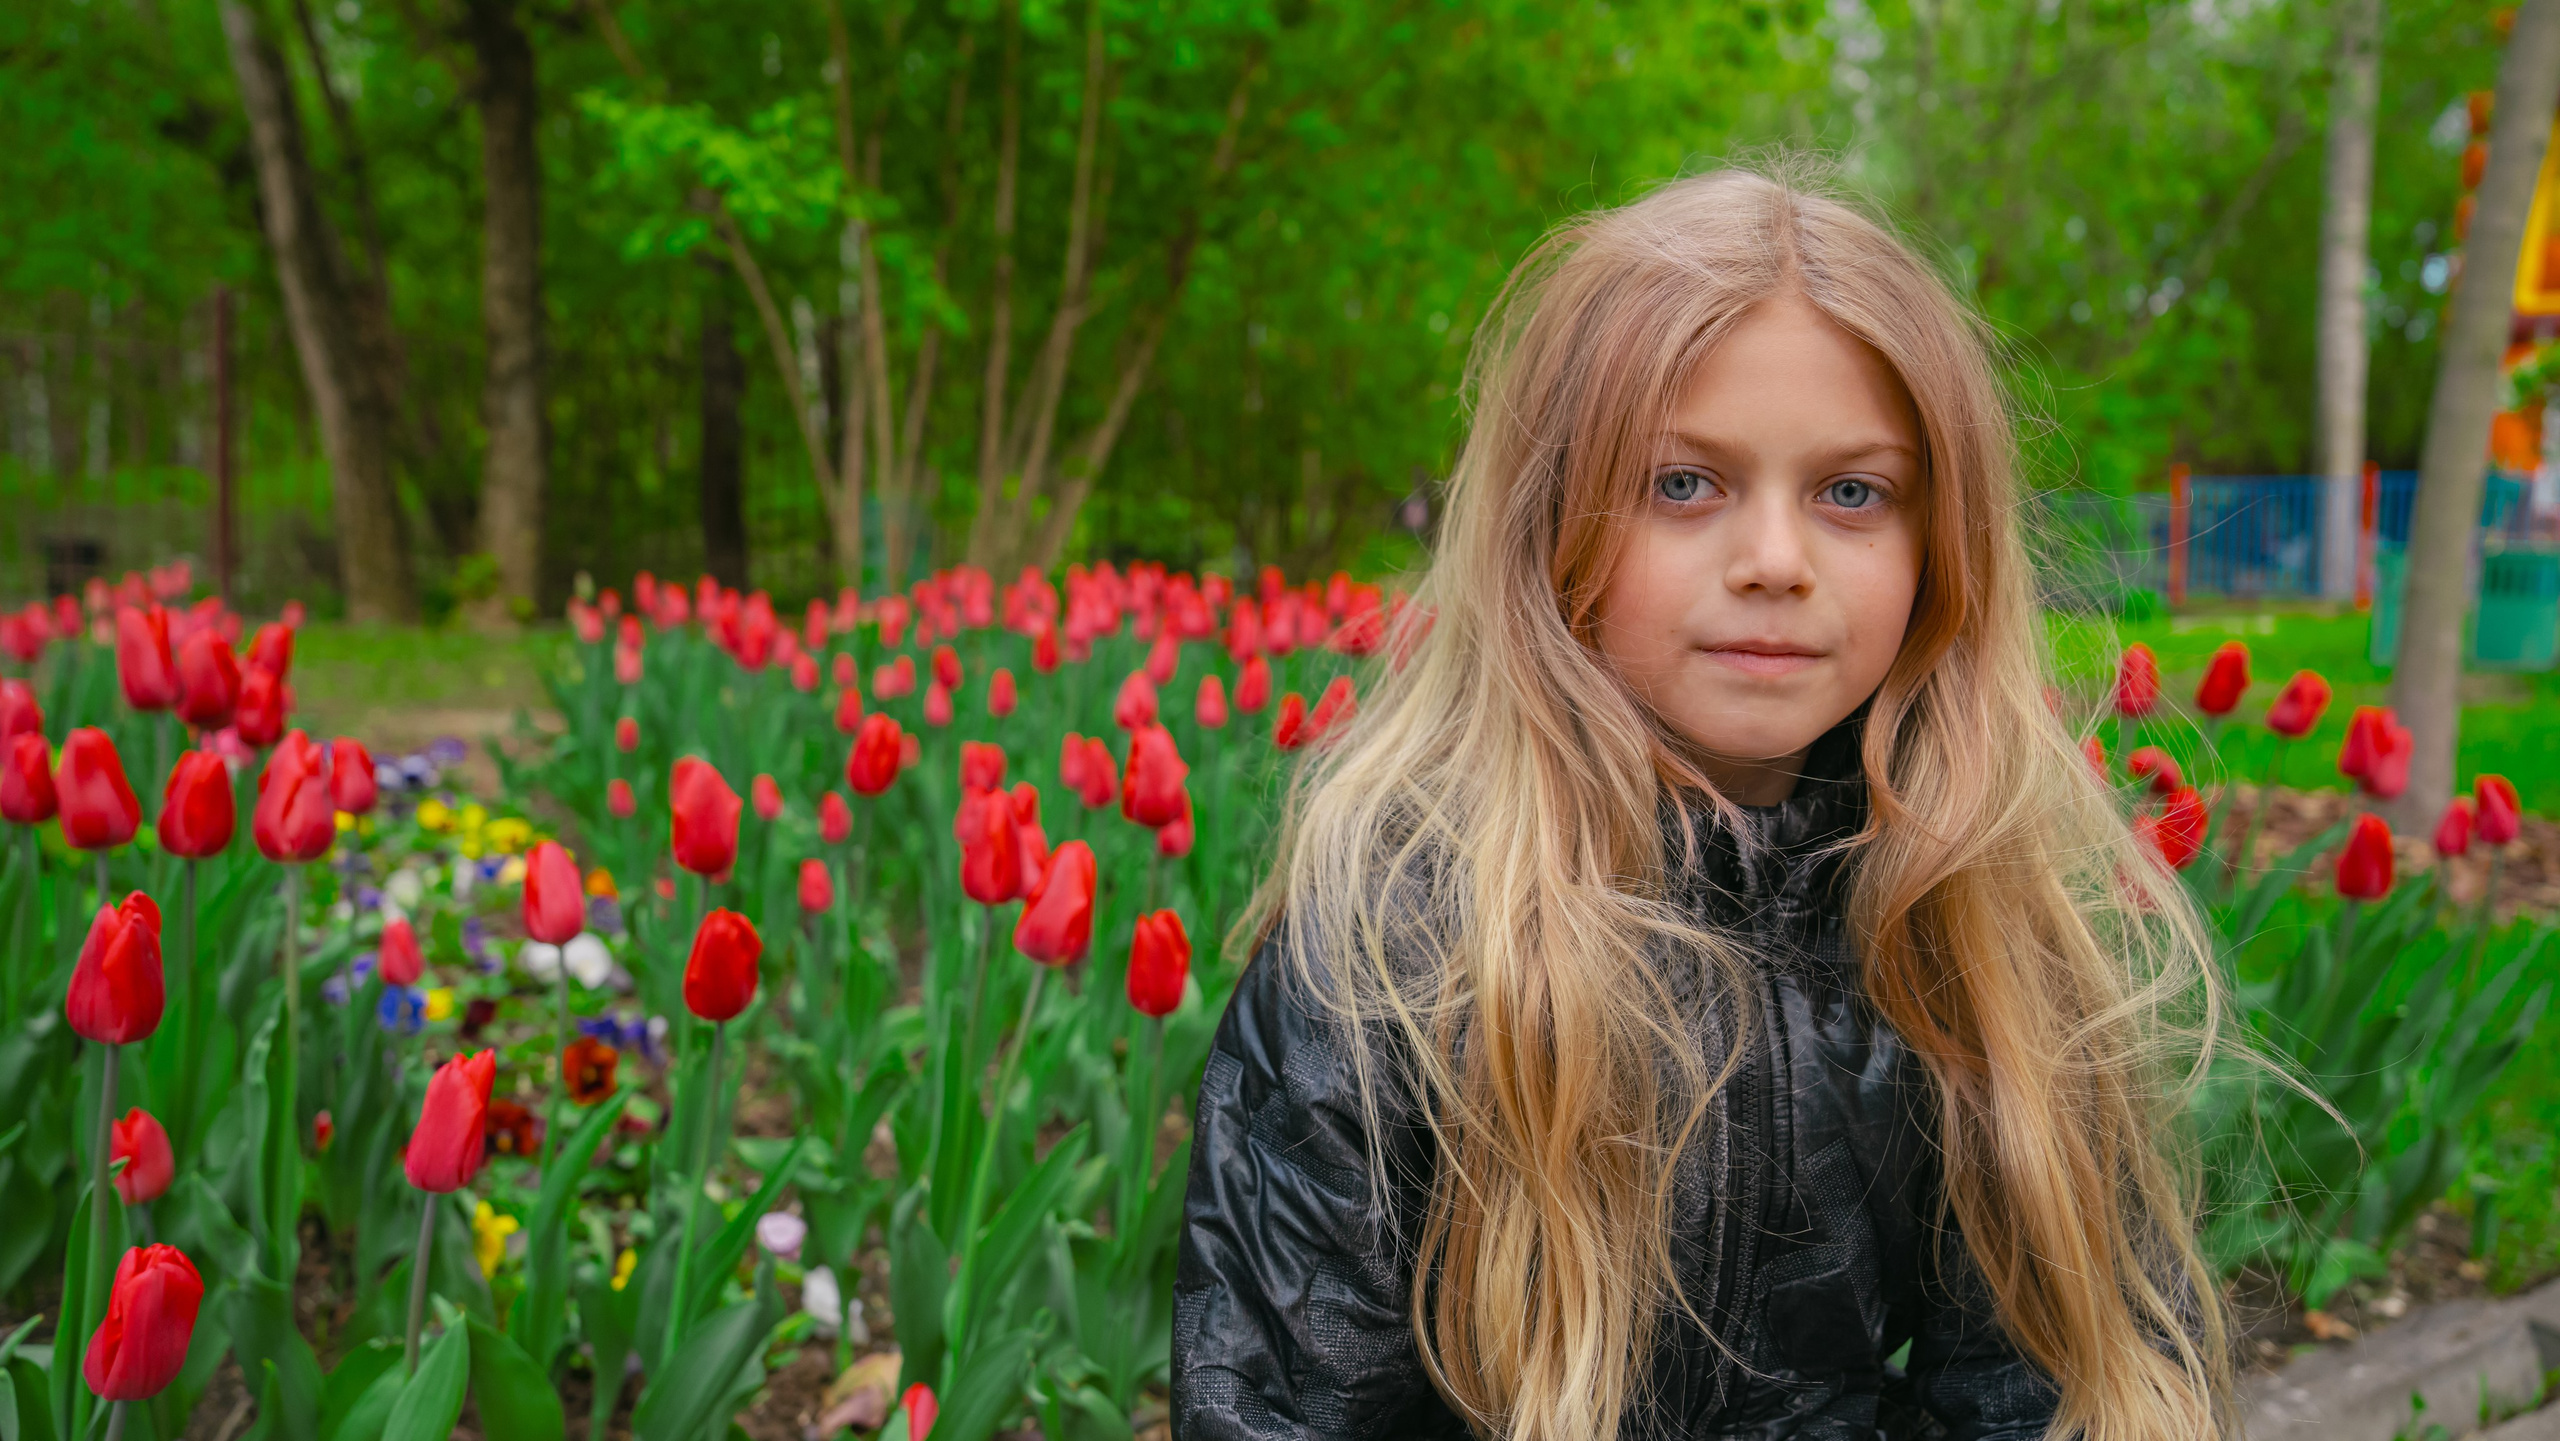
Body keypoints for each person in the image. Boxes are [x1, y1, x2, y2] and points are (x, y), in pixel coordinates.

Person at [1171, 168, 2228, 1441]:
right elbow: (1285, 1406)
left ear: (1941, 546)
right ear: (1548, 522)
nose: (1774, 562)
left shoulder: (1967, 912)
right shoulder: (1395, 943)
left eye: (1852, 492)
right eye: (1685, 484)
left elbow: (2044, 1383)